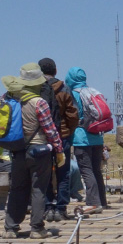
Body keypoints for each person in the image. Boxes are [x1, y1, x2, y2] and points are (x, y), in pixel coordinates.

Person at [1, 64, 64, 238]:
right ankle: (37, 228)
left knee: (17, 188)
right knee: (38, 189)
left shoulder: (8, 98)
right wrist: (59, 150)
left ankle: (11, 228)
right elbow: (50, 130)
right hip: (39, 151)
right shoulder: (39, 102)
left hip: (17, 150)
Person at [39, 58, 81, 222]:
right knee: (63, 173)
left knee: (46, 172)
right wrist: (68, 131)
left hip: (43, 137)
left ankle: (48, 206)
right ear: (55, 71)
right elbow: (73, 114)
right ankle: (61, 208)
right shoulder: (64, 88)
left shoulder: (37, 88)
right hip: (62, 136)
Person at [65, 67, 108, 213]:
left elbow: (72, 115)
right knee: (96, 170)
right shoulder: (94, 92)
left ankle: (93, 202)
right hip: (97, 136)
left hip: (81, 136)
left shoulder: (74, 94)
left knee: (86, 170)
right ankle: (102, 200)